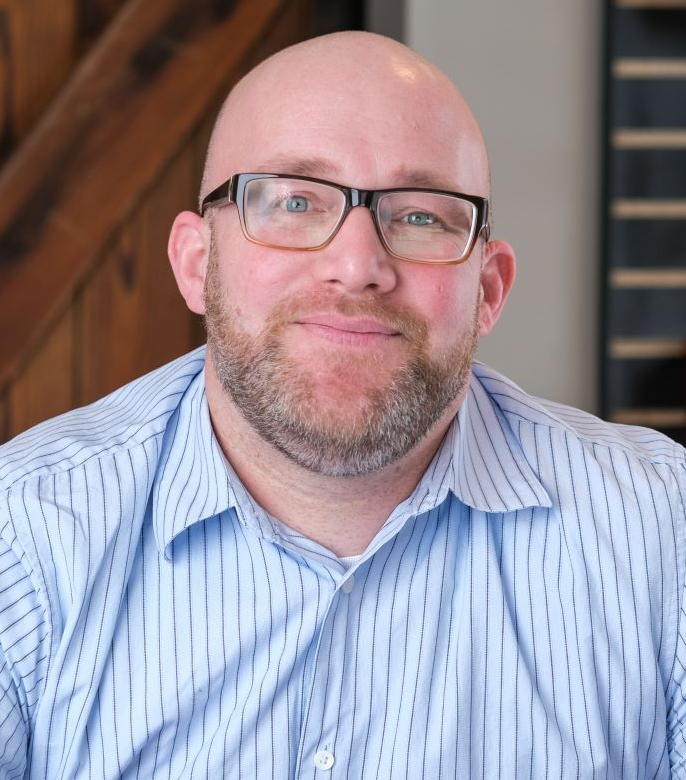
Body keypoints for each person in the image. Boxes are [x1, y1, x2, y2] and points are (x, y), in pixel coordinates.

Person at [0, 30, 684, 780]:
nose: (357, 266)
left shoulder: (661, 535)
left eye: (421, 215)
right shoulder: (25, 538)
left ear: (488, 290)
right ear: (197, 265)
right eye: (293, 201)